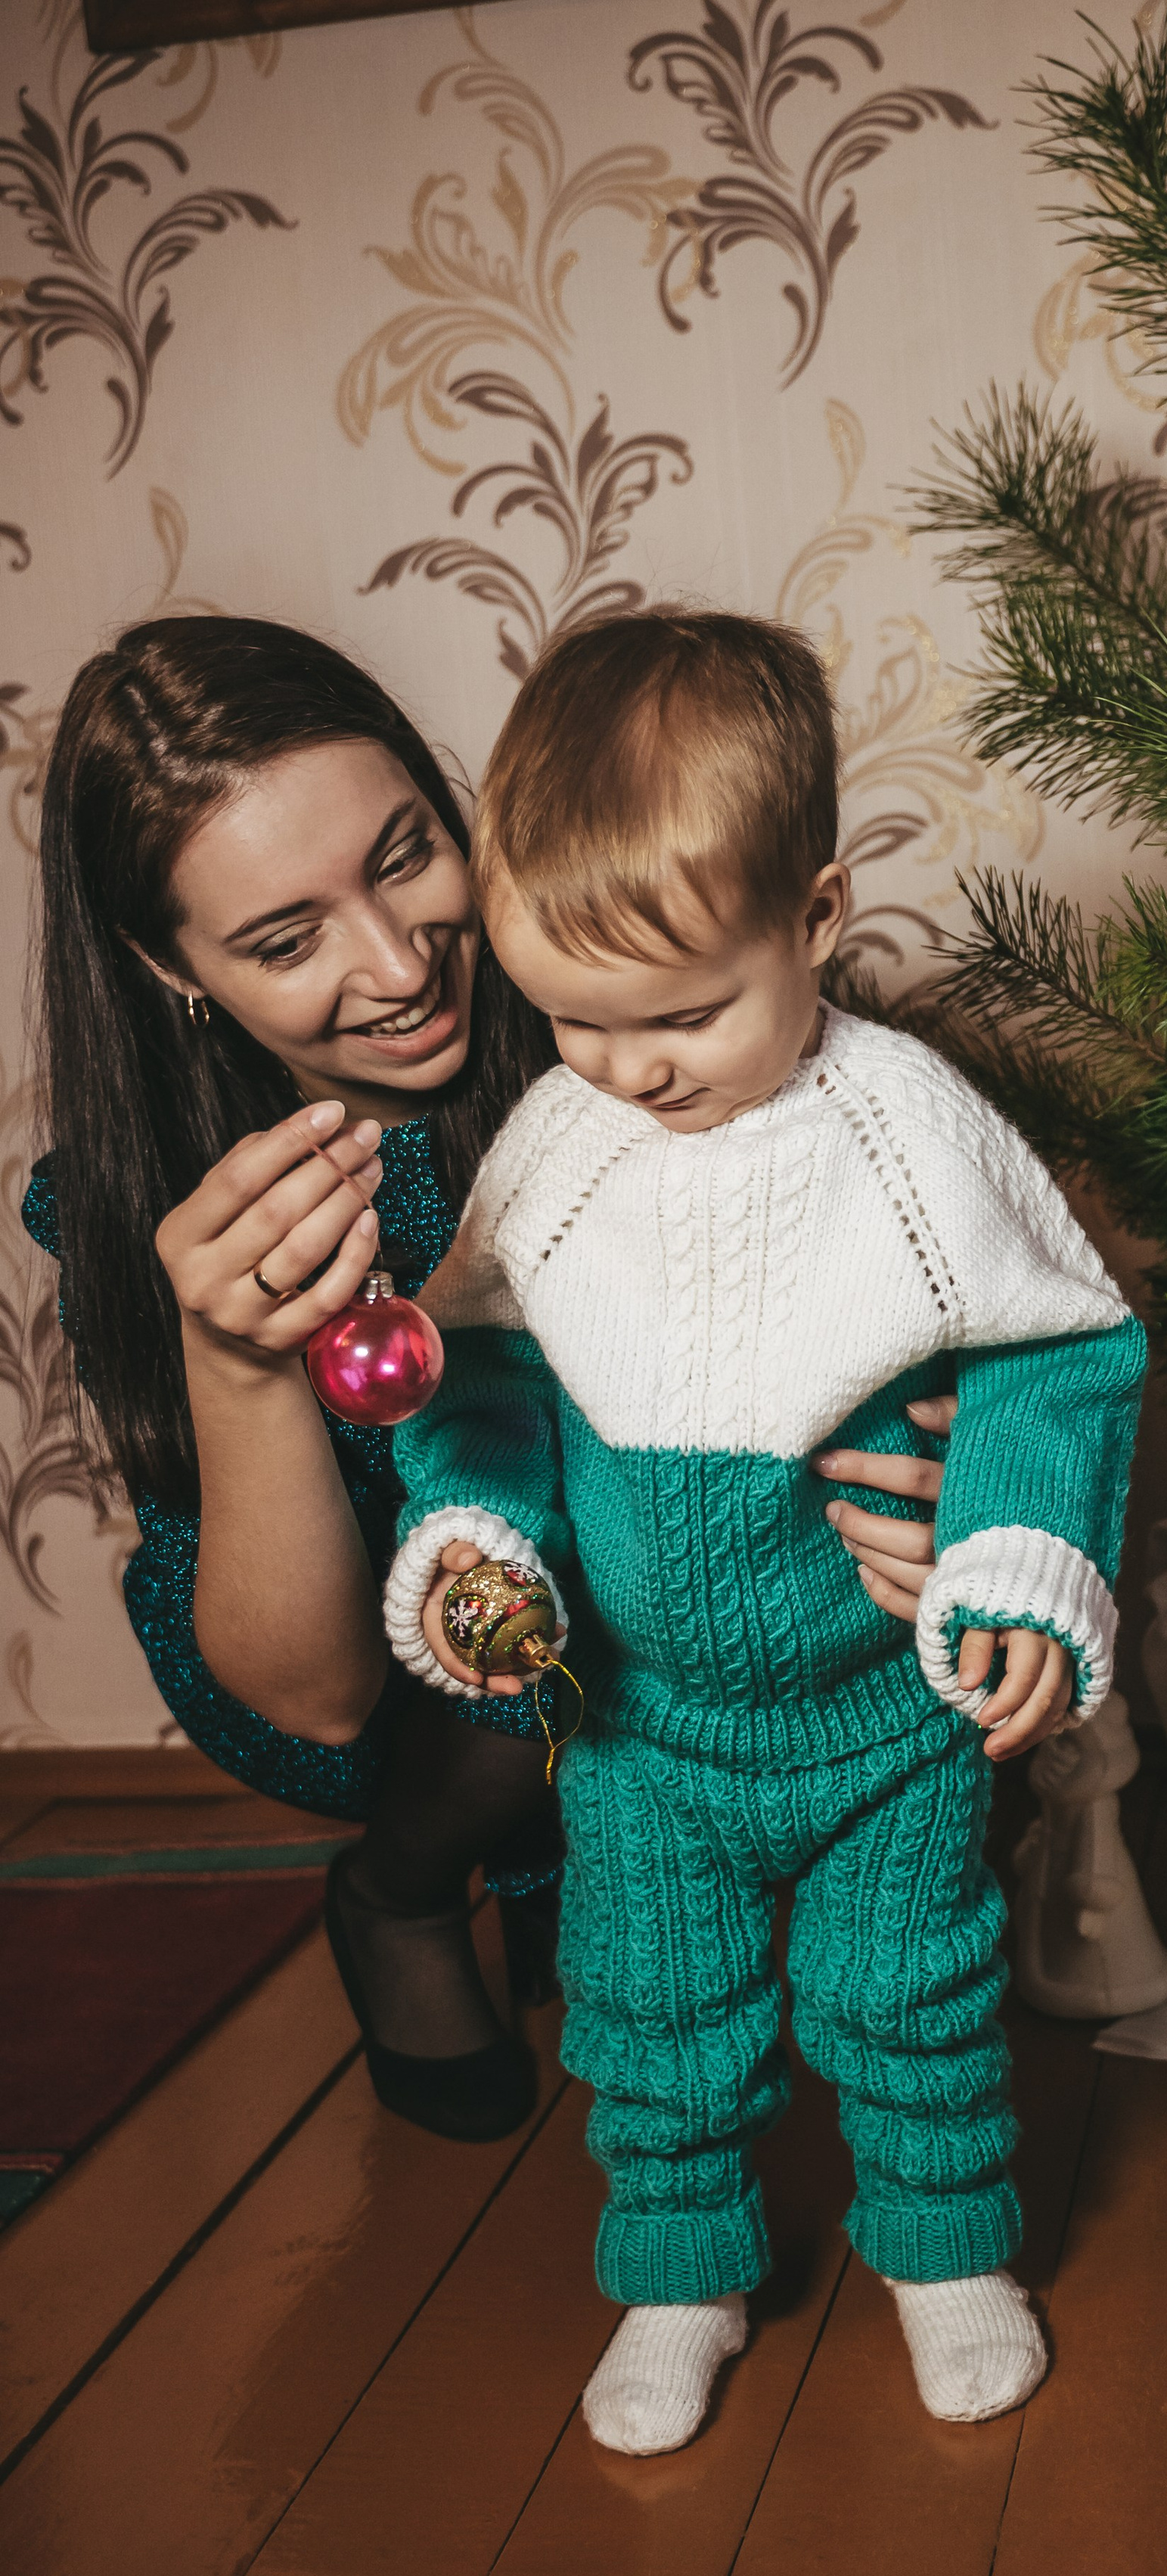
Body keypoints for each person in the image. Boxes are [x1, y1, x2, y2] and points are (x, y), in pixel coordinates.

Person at [383, 609, 1146, 2451]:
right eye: (570, 1014)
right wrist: (471, 1534)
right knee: (649, 2013)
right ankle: (678, 2271)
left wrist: (1018, 1551)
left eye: (683, 1013)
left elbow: (1064, 1353)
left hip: (875, 1716)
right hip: (638, 1730)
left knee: (907, 1994)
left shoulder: (906, 1131)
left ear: (811, 918)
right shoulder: (554, 1153)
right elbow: (478, 1382)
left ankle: (948, 2251)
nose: (626, 1067)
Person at [25, 616, 948, 2141]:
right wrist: (237, 1366)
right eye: (281, 939)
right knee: (521, 1587)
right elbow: (316, 1698)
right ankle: (400, 1886)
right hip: (401, 1684)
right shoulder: (157, 1202)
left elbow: (904, 1288)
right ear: (164, 964)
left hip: (702, 1609)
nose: (395, 966)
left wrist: (941, 1466)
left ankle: (574, 1870)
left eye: (404, 857)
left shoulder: (624, 1014)